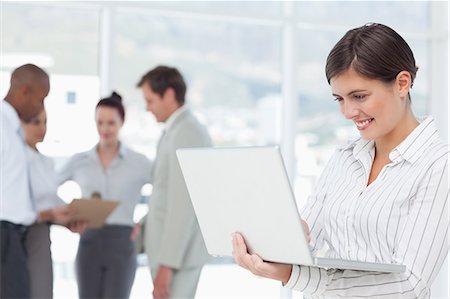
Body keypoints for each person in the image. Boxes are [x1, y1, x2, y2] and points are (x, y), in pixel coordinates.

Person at [232, 23, 449, 298]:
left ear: (402, 84)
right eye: (339, 99)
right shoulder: (344, 158)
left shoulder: (439, 166)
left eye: (359, 96)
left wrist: (294, 275)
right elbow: (310, 243)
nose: (348, 111)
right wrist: (283, 242)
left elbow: (409, 284)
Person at [57, 91, 152, 299]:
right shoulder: (79, 160)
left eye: (111, 123)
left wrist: (145, 222)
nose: (105, 129)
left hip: (122, 242)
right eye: (100, 122)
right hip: (89, 241)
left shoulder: (139, 163)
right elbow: (48, 187)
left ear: (122, 122)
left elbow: (165, 192)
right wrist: (69, 214)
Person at [137, 66, 212, 299]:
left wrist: (167, 265)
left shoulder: (186, 132)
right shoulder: (175, 130)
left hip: (176, 259)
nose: (147, 108)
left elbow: (183, 205)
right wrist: (143, 225)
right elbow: (165, 193)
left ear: (169, 95)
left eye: (150, 100)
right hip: (169, 254)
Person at [0, 64, 50, 298]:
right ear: (24, 92)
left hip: (15, 239)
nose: (41, 108)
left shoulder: (13, 130)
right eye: (41, 99)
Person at [22, 108, 77, 298]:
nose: (42, 128)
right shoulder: (12, 161)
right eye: (36, 122)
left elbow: (51, 201)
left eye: (45, 122)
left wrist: (69, 218)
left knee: (41, 291)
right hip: (15, 236)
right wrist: (49, 214)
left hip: (40, 237)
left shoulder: (46, 163)